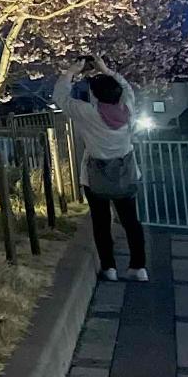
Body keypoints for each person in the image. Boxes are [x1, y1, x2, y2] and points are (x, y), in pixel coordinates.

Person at [63, 56, 148, 282]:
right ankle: (138, 267)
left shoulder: (89, 113)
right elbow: (127, 88)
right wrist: (107, 70)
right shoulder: (127, 110)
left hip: (96, 177)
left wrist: (72, 71)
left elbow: (60, 97)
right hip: (126, 175)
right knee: (131, 222)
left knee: (101, 223)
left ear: (95, 95)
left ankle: (109, 268)